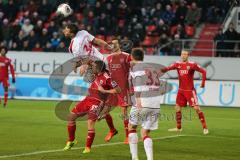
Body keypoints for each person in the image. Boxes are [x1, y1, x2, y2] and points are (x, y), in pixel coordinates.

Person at [63, 60, 121, 153]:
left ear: (98, 68)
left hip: (97, 102)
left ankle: (87, 148)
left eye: (93, 67)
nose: (92, 68)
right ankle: (71, 140)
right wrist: (80, 65)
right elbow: (89, 62)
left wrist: (105, 91)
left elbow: (118, 90)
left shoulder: (107, 78)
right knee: (71, 117)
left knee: (90, 122)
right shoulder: (97, 73)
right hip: (87, 99)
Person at [161, 50, 209, 135]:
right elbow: (168, 68)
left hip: (190, 91)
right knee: (177, 107)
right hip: (181, 91)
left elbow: (203, 72)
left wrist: (203, 83)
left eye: (185, 54)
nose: (183, 56)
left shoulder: (192, 64)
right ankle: (178, 127)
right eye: (182, 54)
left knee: (197, 109)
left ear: (188, 55)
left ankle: (205, 128)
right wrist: (162, 70)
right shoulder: (177, 64)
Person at [128, 48, 162, 160]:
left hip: (142, 100)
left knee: (131, 127)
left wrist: (137, 99)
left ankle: (134, 157)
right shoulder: (152, 68)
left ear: (132, 57)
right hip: (156, 103)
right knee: (145, 132)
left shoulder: (135, 68)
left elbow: (137, 83)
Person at [104, 39, 131, 144]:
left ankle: (128, 136)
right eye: (111, 44)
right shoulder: (108, 58)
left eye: (115, 44)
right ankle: (112, 130)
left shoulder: (127, 56)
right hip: (113, 89)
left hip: (124, 88)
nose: (113, 46)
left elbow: (133, 71)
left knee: (124, 112)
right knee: (105, 111)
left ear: (119, 45)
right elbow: (107, 74)